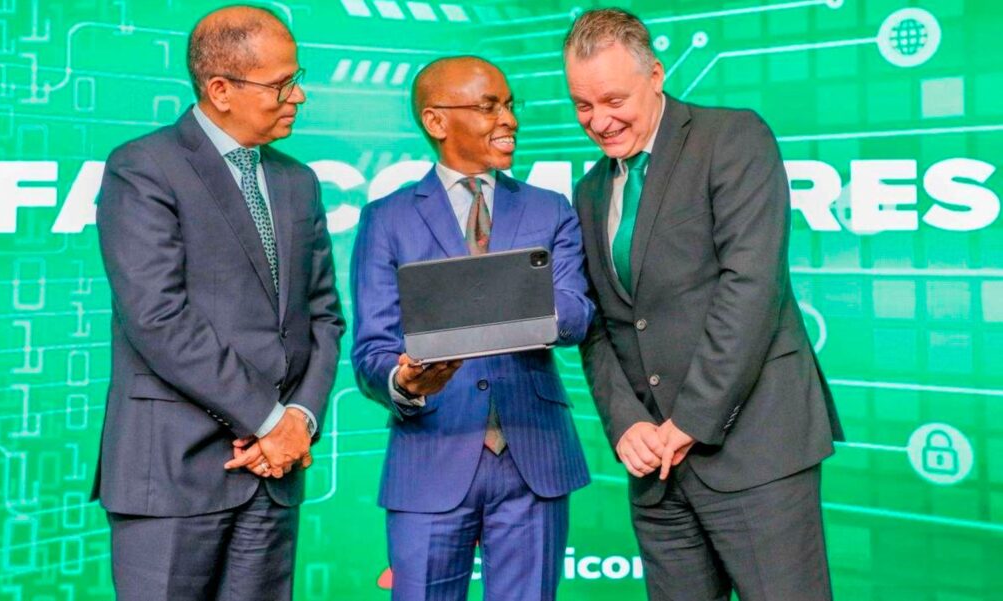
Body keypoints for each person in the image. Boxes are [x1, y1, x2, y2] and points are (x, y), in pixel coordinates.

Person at [563, 8, 844, 601]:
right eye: (583, 105)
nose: (599, 121)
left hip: (756, 453)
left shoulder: (732, 139)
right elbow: (599, 323)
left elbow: (752, 287)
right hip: (656, 473)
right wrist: (626, 423)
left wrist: (689, 420)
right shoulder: (588, 191)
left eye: (613, 100)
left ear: (655, 75)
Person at [92, 6, 344, 599]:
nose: (298, 95)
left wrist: (299, 421)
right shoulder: (142, 167)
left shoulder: (297, 180)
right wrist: (269, 420)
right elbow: (157, 318)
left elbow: (324, 317)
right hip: (172, 473)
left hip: (274, 475)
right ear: (221, 90)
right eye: (281, 84)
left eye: (297, 78)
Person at [350, 56, 594, 601]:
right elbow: (372, 350)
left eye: (509, 105)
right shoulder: (387, 218)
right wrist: (405, 383)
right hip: (429, 455)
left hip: (533, 456)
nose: (509, 119)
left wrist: (516, 306)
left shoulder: (550, 209)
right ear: (436, 121)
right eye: (489, 106)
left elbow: (577, 312)